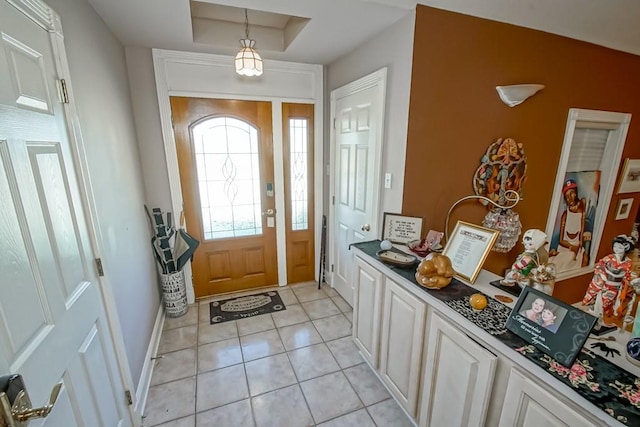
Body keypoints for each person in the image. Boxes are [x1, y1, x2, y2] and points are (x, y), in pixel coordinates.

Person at [582, 235, 636, 323]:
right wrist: (602, 275)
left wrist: (628, 281)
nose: (616, 249)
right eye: (615, 247)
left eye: (619, 247)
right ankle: (597, 318)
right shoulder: (609, 258)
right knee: (602, 303)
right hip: (606, 284)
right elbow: (599, 267)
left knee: (615, 303)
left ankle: (610, 319)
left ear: (626, 247)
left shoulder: (628, 262)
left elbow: (627, 275)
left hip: (618, 287)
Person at [549, 179, 588, 271]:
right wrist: (571, 247)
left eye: (572, 193)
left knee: (584, 259)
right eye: (567, 196)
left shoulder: (582, 209)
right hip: (565, 248)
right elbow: (561, 240)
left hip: (577, 247)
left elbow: (582, 229)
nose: (570, 197)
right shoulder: (565, 215)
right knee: (568, 258)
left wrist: (579, 246)